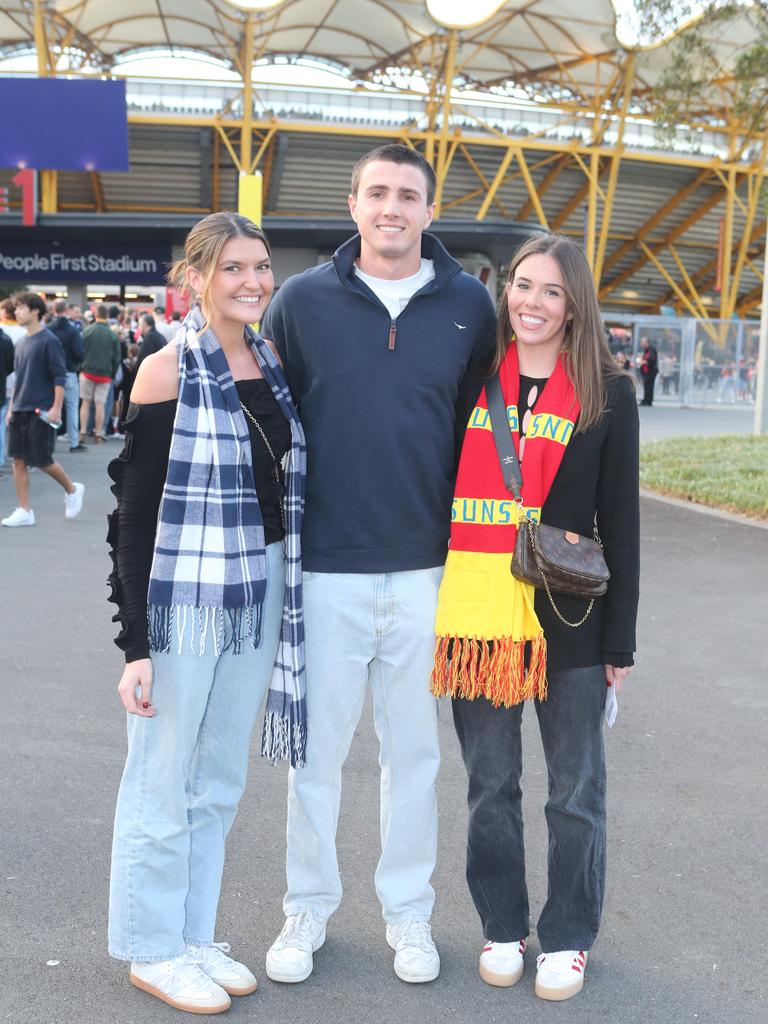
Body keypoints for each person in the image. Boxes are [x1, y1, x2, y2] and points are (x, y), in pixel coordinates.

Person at [262, 143, 496, 985]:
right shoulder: (299, 302)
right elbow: (266, 415)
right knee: (315, 757)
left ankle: (409, 916)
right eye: (377, 193)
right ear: (353, 204)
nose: (391, 207)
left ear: (429, 210)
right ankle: (307, 910)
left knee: (414, 757)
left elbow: (480, 427)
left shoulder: (470, 302)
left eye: (408, 195)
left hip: (428, 568)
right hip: (324, 567)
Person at [106, 212, 307, 1014]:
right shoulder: (164, 369)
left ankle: (192, 933)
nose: (253, 281)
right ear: (195, 278)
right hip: (183, 598)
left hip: (257, 582)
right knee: (162, 776)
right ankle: (151, 947)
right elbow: (133, 518)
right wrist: (135, 644)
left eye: (260, 267)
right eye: (233, 268)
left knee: (218, 778)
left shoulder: (271, 361)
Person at [431, 233, 639, 1001]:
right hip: (481, 612)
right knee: (491, 781)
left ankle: (570, 933)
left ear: (574, 302)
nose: (533, 302)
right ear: (505, 290)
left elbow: (622, 521)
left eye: (552, 290)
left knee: (575, 789)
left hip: (573, 616)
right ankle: (502, 923)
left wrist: (622, 639)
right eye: (523, 285)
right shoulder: (474, 379)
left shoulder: (608, 393)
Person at [1, 292, 85, 527]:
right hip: (19, 408)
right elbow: (18, 379)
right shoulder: (21, 343)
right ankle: (24, 509)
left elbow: (59, 377)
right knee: (18, 459)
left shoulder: (49, 340)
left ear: (35, 311)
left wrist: (56, 407)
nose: (16, 312)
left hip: (41, 409)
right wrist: (11, 408)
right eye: (15, 308)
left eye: (20, 308)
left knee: (41, 460)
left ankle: (71, 489)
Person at [48, 298, 87, 452]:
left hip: (51, 375)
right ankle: (74, 443)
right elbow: (80, 353)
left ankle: (48, 443)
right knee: (72, 407)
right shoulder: (73, 330)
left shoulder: (48, 329)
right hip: (69, 372)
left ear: (53, 311)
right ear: (66, 311)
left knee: (50, 408)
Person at [79, 303, 120, 442]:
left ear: (95, 315)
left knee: (85, 403)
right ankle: (98, 433)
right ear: (107, 316)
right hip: (105, 375)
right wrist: (112, 374)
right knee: (100, 404)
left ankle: (83, 432)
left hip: (87, 372)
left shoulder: (87, 331)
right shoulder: (112, 335)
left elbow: (80, 352)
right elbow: (117, 358)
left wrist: (81, 367)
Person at [639, 338, 658, 405]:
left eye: (642, 342)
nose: (641, 344)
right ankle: (645, 399)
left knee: (649, 386)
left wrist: (644, 362)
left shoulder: (651, 349)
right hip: (646, 372)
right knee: (646, 386)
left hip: (651, 372)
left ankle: (648, 401)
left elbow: (651, 359)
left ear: (646, 342)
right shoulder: (646, 350)